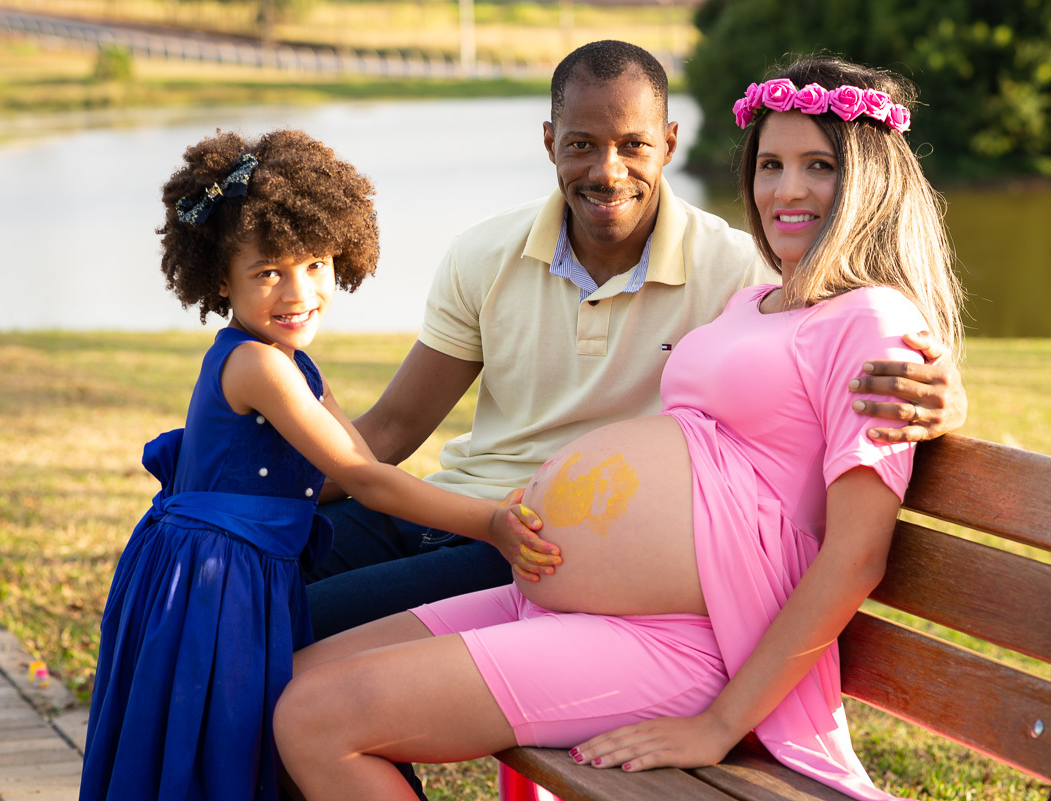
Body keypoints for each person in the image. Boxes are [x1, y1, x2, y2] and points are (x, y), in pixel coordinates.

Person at [273, 55, 963, 801]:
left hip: (686, 636)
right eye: (770, 164)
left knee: (315, 718)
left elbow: (856, 555)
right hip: (565, 589)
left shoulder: (867, 317)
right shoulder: (759, 301)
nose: (786, 189)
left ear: (868, 178)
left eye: (818, 166)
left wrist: (720, 723)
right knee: (295, 678)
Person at [78, 129, 540, 801]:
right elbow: (365, 479)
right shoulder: (257, 364)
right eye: (269, 272)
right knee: (220, 739)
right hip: (214, 579)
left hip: (249, 567)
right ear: (221, 279)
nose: (299, 292)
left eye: (316, 264)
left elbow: (349, 463)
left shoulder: (293, 363)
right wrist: (490, 521)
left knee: (252, 732)